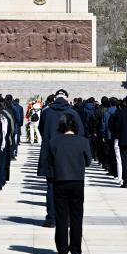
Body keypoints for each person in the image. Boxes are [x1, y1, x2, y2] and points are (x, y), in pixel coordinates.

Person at [37, 90, 85, 227]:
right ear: (66, 98)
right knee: (68, 188)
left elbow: (41, 129)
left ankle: (51, 219)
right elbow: (80, 132)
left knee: (51, 187)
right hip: (69, 155)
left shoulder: (46, 112)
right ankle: (67, 219)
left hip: (51, 153)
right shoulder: (73, 112)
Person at [48, 114, 91, 254]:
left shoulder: (54, 141)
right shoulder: (83, 141)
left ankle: (62, 250)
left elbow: (50, 161)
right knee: (76, 216)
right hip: (77, 181)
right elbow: (88, 161)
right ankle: (76, 250)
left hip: (60, 180)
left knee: (61, 217)